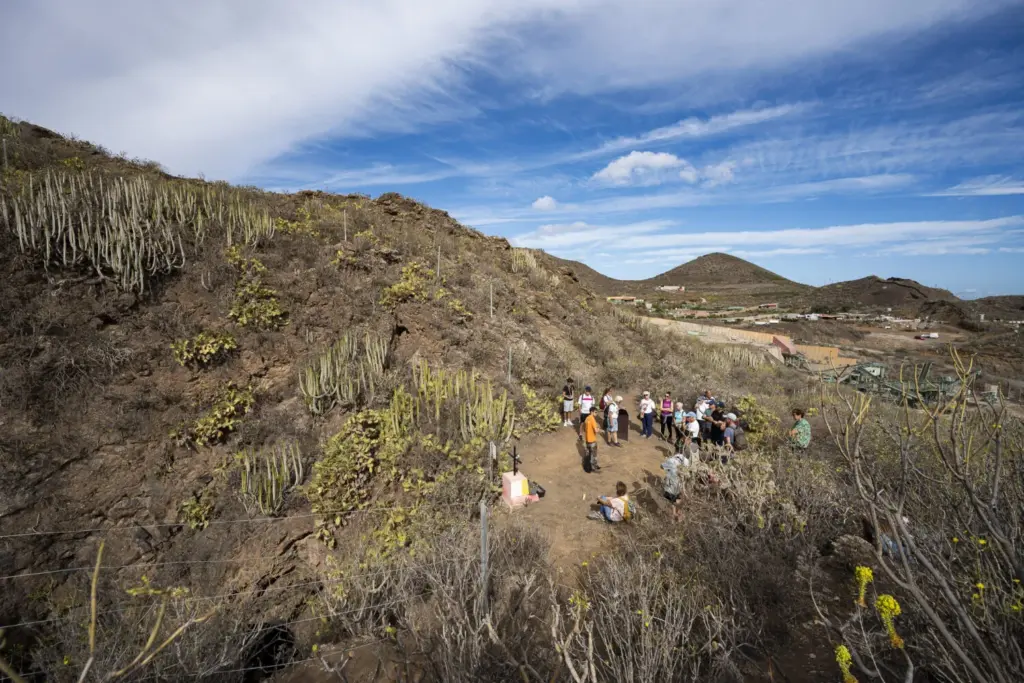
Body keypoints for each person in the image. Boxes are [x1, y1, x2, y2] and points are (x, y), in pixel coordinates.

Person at [661, 452, 689, 523]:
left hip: (670, 484)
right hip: (679, 484)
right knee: (678, 499)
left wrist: (668, 464)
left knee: (672, 502)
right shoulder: (687, 462)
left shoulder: (671, 460)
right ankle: (679, 515)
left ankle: (673, 518)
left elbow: (661, 466)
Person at [582, 406, 603, 472]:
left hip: (587, 439)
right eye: (595, 412)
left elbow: (584, 428)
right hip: (592, 440)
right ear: (591, 412)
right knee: (594, 454)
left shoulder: (587, 418)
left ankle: (592, 466)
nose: (596, 414)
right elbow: (596, 430)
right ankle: (594, 467)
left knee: (589, 454)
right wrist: (600, 430)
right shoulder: (592, 419)